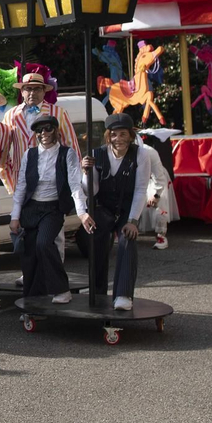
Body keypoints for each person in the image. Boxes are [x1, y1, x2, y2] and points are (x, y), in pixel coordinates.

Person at [10, 116, 90, 304]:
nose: (43, 134)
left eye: (47, 129)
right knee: (29, 254)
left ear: (56, 130)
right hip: (31, 208)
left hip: (53, 208)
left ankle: (62, 289)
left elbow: (74, 184)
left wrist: (82, 212)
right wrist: (15, 216)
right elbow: (21, 186)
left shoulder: (66, 153)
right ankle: (32, 299)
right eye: (39, 131)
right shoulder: (29, 154)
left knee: (44, 243)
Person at [80, 112, 150, 311]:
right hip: (103, 208)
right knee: (97, 244)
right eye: (114, 134)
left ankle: (123, 294)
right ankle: (97, 293)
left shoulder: (141, 155)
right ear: (108, 136)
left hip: (127, 208)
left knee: (127, 241)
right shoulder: (96, 154)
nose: (118, 139)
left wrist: (133, 220)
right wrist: (86, 173)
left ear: (131, 135)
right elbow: (90, 190)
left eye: (123, 134)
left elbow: (140, 189)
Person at [3, 72, 79, 179]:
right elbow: (3, 150)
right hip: (20, 177)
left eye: (37, 89)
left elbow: (71, 146)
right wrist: (9, 179)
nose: (32, 93)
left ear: (44, 92)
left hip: (50, 176)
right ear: (22, 91)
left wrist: (73, 179)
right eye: (28, 89)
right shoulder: (11, 115)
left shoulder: (58, 113)